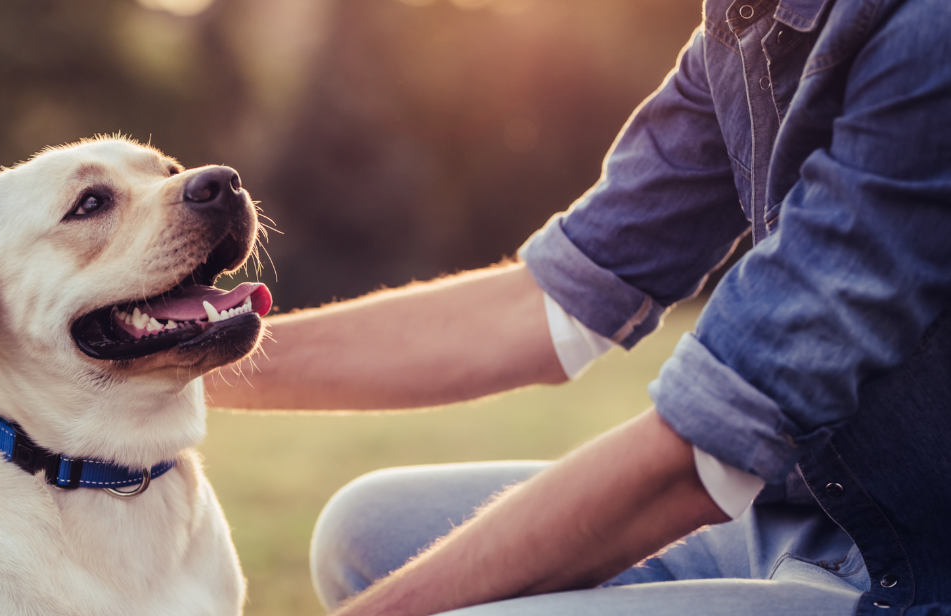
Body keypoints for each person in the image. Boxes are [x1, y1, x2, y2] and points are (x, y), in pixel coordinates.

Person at [206, 0, 951, 613]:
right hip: (808, 515)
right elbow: (555, 299)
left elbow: (702, 451)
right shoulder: (744, 22)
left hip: (917, 562)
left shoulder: (927, 33)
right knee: (364, 531)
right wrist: (186, 365)